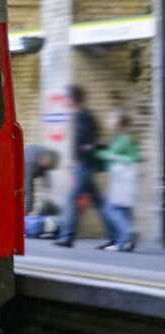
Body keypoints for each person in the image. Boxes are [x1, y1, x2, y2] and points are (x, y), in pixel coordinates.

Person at [54, 84, 113, 248]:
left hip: (84, 166)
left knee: (72, 199)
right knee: (99, 202)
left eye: (67, 97)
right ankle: (117, 235)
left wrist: (85, 151)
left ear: (73, 99)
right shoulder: (85, 115)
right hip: (85, 165)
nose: (65, 100)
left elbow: (88, 142)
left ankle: (67, 237)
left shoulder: (83, 116)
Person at [95, 111, 140, 252]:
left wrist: (97, 152)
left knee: (111, 208)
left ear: (119, 123)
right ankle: (123, 243)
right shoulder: (125, 137)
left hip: (122, 178)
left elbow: (129, 157)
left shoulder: (124, 139)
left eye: (112, 118)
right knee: (124, 210)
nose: (109, 121)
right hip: (126, 177)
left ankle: (128, 234)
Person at [24, 144, 59, 215]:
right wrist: (28, 210)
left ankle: (47, 205)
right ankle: (27, 209)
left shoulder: (48, 155)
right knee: (27, 188)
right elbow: (30, 188)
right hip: (26, 164)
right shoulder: (30, 163)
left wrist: (49, 199)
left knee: (47, 184)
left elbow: (47, 181)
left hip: (36, 161)